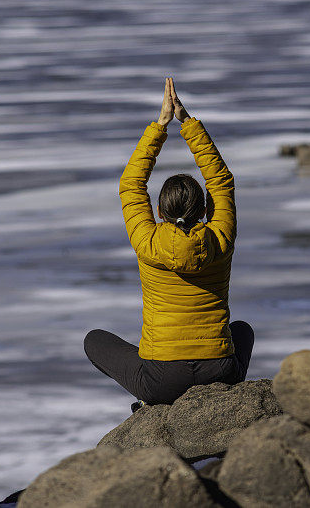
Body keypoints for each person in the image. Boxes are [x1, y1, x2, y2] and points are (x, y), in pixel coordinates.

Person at [84, 77, 254, 412]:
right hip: (217, 369)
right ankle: (226, 395)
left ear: (159, 211)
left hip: (162, 378)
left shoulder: (148, 242)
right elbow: (221, 181)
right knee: (243, 332)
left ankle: (151, 403)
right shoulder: (220, 238)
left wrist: (160, 125)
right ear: (205, 209)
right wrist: (187, 123)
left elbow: (131, 185)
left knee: (94, 340)